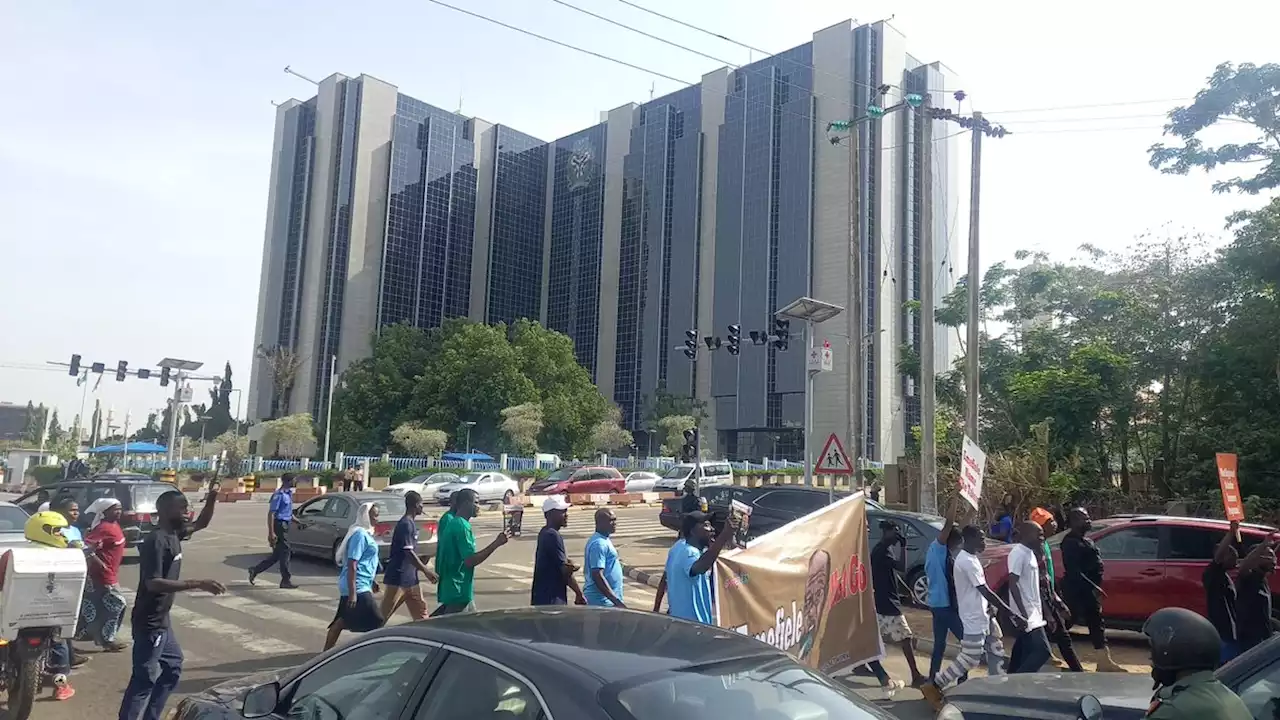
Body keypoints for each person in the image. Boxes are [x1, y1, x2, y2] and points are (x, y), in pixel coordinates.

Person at [118, 486, 225, 720]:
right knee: (144, 679)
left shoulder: (175, 534)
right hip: (150, 622)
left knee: (173, 669)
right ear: (166, 510)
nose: (188, 512)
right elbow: (153, 583)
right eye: (183, 508)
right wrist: (197, 583)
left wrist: (213, 497)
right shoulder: (156, 541)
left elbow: (202, 523)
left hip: (162, 621)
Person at [919, 525, 1026, 712]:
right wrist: (1010, 611)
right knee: (969, 658)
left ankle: (998, 688)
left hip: (983, 615)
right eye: (981, 538)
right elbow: (985, 591)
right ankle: (935, 684)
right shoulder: (967, 561)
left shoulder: (971, 558)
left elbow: (982, 592)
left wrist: (992, 608)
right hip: (973, 619)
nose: (984, 542)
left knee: (996, 649)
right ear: (967, 540)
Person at [1142, 607, 1251, 719]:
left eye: (1154, 652)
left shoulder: (1174, 709)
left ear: (1173, 654)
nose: (1151, 660)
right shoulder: (1231, 699)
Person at [24, 509, 82, 700]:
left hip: (21, 614)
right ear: (45, 530)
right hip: (53, 614)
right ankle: (61, 685)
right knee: (59, 643)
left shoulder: (17, 554)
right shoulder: (69, 556)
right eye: (58, 531)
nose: (62, 535)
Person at [1060, 507, 1125, 671]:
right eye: (1084, 518)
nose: (1088, 521)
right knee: (1065, 623)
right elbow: (1074, 571)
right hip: (1076, 590)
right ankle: (1046, 653)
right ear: (1074, 521)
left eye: (1088, 518)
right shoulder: (1069, 543)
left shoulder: (1087, 541)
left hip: (1088, 590)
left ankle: (1104, 661)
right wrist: (1094, 587)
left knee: (1096, 623)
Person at [432, 489, 508, 616]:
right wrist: (496, 544)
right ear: (467, 503)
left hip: (456, 589)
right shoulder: (461, 526)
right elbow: (470, 560)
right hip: (458, 590)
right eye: (476, 502)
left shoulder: (455, 522)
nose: (479, 507)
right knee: (456, 630)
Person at [870, 520, 926, 687]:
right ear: (887, 532)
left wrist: (905, 590)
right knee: (905, 637)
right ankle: (915, 675)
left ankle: (864, 665)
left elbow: (893, 573)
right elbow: (901, 566)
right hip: (887, 603)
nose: (897, 536)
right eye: (895, 532)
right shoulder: (882, 552)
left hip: (883, 601)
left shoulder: (882, 550)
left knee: (874, 639)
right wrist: (904, 546)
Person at [654, 511, 736, 623]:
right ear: (693, 531)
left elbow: (665, 579)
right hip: (693, 627)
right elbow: (700, 567)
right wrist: (724, 535)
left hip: (679, 622)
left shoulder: (678, 547)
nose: (712, 529)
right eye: (706, 525)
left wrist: (656, 610)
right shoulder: (690, 553)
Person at [324, 502, 385, 650]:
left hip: (362, 582)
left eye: (377, 515)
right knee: (376, 620)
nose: (377, 519)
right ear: (365, 516)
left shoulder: (364, 533)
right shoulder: (359, 535)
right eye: (374, 516)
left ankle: (325, 653)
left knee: (343, 620)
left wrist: (372, 581)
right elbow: (352, 563)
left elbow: (365, 562)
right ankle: (363, 651)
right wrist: (352, 593)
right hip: (356, 585)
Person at [1032, 511, 1082, 672]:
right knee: (1063, 637)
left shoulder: (1044, 544)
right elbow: (1039, 581)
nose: (1054, 524)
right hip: (1043, 598)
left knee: (1050, 637)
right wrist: (1050, 607)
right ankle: (1078, 671)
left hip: (1049, 595)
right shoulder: (1036, 549)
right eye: (1049, 521)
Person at [78, 497, 129, 653]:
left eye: (120, 508)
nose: (119, 511)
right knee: (117, 604)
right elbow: (86, 547)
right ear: (104, 512)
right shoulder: (104, 528)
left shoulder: (114, 526)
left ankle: (92, 635)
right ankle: (107, 639)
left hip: (110, 574)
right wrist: (101, 564)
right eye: (115, 509)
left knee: (95, 606)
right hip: (102, 576)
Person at [380, 492, 439, 621]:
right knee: (383, 616)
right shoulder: (405, 524)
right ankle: (370, 638)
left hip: (411, 579)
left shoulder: (411, 523)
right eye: (421, 505)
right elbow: (409, 552)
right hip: (398, 579)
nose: (422, 508)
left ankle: (424, 638)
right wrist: (426, 570)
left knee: (421, 614)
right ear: (416, 505)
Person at [925, 504, 966, 681]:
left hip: (937, 603)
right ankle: (962, 680)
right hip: (943, 605)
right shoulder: (939, 548)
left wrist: (971, 508)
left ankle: (931, 680)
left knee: (940, 645)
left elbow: (958, 528)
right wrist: (956, 497)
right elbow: (949, 524)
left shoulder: (942, 551)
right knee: (967, 643)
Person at [1007, 521, 1052, 673]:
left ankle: (1010, 682)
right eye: (1039, 534)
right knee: (1042, 651)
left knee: (1023, 653)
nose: (1042, 538)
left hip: (1034, 612)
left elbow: (1035, 587)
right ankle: (1019, 681)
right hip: (1026, 613)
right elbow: (1013, 583)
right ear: (1026, 534)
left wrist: (1046, 613)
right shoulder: (1018, 554)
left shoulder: (1030, 553)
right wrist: (1022, 613)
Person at [531, 496, 586, 606]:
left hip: (542, 596)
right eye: (562, 512)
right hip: (551, 599)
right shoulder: (552, 535)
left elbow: (557, 561)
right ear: (550, 514)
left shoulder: (544, 532)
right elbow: (564, 570)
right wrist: (579, 594)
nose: (566, 515)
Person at [248, 473, 297, 589]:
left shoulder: (289, 494)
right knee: (286, 551)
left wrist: (297, 521)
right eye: (293, 480)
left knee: (276, 555)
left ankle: (255, 570)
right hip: (279, 525)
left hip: (285, 524)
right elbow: (272, 514)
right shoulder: (278, 495)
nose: (295, 482)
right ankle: (285, 580)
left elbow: (288, 512)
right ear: (287, 481)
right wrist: (271, 532)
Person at [1204, 520, 1242, 664]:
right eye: (1233, 556)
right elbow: (1219, 556)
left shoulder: (1224, 575)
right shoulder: (1212, 573)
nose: (1236, 560)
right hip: (1220, 630)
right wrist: (1231, 533)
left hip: (1230, 631)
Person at [1234, 536, 1275, 654]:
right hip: (1249, 641)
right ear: (1257, 558)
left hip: (1263, 639)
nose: (1274, 560)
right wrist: (1263, 545)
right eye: (1270, 556)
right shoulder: (1248, 578)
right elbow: (1243, 566)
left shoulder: (1263, 579)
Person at [584, 508, 625, 608]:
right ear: (600, 523)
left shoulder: (603, 539)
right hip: (601, 602)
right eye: (611, 520)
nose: (614, 523)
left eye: (615, 520)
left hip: (607, 601)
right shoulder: (599, 544)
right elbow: (597, 575)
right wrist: (616, 601)